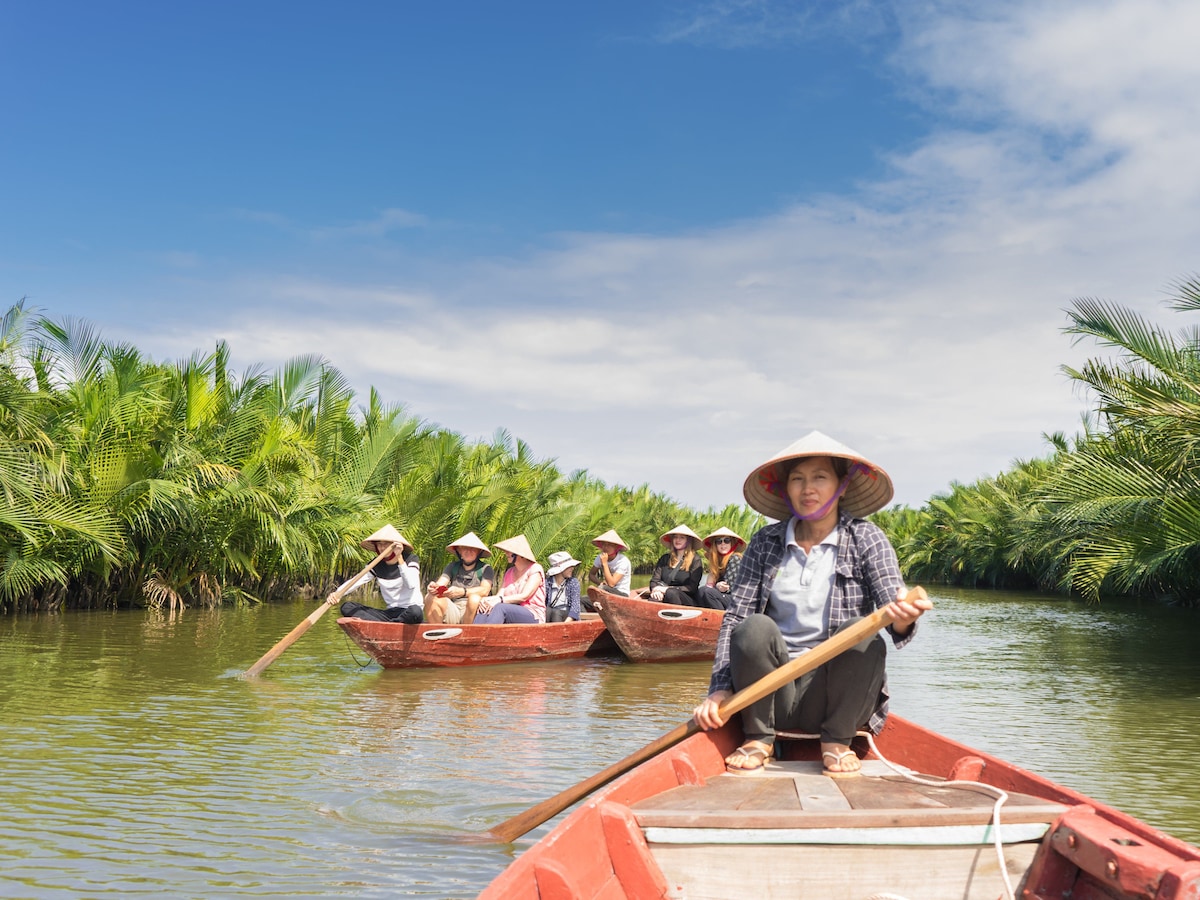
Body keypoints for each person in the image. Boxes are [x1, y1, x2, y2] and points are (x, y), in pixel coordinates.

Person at [692, 431, 932, 777]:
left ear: (842, 485)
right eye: (798, 479)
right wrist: (719, 690)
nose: (808, 489)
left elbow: (894, 618)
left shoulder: (866, 538)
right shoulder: (765, 542)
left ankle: (836, 741)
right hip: (769, 694)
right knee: (752, 628)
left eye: (820, 477)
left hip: (837, 699)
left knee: (861, 632)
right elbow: (735, 618)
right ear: (785, 488)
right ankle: (759, 737)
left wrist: (904, 616)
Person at [335, 524, 424, 624]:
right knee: (347, 607)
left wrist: (399, 558)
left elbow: (411, 584)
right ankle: (390, 625)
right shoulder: (376, 564)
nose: (382, 548)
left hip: (409, 612)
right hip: (390, 613)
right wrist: (338, 593)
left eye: (386, 544)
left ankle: (390, 625)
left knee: (415, 612)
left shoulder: (411, 560)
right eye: (379, 544)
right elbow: (357, 580)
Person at [423, 532, 494, 625]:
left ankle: (467, 635)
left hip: (472, 611)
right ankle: (437, 634)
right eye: (465, 548)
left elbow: (485, 590)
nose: (468, 551)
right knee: (430, 597)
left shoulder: (485, 568)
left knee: (474, 599)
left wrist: (462, 592)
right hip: (454, 608)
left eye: (473, 549)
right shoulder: (452, 566)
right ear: (459, 551)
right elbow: (441, 582)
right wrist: (433, 587)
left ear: (479, 552)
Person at [474, 534, 546, 624]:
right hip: (509, 610)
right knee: (484, 607)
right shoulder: (509, 572)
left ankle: (487, 636)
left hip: (532, 614)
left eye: (509, 552)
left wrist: (499, 600)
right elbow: (499, 595)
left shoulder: (535, 569)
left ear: (519, 554)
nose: (506, 554)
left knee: (500, 607)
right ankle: (475, 636)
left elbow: (524, 596)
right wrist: (486, 600)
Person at [647, 525, 705, 605]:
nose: (678, 540)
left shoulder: (695, 560)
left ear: (688, 541)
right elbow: (654, 580)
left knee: (671, 593)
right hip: (664, 594)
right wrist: (656, 590)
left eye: (682, 537)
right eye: (675, 537)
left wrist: (666, 589)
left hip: (686, 598)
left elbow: (692, 588)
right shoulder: (665, 558)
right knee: (654, 599)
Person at [692, 527, 746, 610]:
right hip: (724, 597)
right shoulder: (717, 562)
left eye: (727, 540)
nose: (723, 544)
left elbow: (728, 587)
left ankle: (724, 620)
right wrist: (712, 572)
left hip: (738, 600)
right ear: (715, 545)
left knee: (708, 593)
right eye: (719, 541)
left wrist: (717, 586)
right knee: (701, 591)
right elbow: (709, 585)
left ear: (732, 543)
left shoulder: (735, 558)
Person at [587, 529, 632, 599]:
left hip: (621, 593)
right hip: (604, 591)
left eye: (609, 545)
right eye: (604, 544)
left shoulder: (623, 561)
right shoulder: (599, 557)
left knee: (604, 588)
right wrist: (600, 583)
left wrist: (604, 563)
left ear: (616, 547)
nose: (605, 547)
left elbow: (611, 584)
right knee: (581, 600)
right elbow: (591, 574)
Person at [544, 551, 582, 622]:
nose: (572, 568)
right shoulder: (548, 583)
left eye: (572, 566)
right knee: (548, 611)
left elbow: (575, 607)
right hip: (550, 616)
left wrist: (565, 624)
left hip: (567, 619)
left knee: (556, 612)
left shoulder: (573, 582)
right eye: (569, 567)